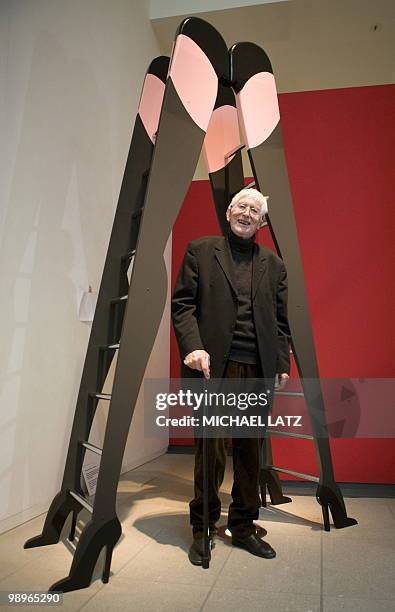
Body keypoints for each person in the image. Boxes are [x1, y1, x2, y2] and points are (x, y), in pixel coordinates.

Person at [171, 187, 291, 565]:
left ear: (262, 222)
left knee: (249, 453)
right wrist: (192, 346)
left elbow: (281, 324)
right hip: (212, 369)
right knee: (211, 452)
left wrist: (281, 363)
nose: (247, 213)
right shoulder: (201, 251)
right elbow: (183, 305)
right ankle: (203, 528)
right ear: (228, 212)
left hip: (256, 371)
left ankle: (242, 527)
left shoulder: (274, 265)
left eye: (255, 210)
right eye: (241, 206)